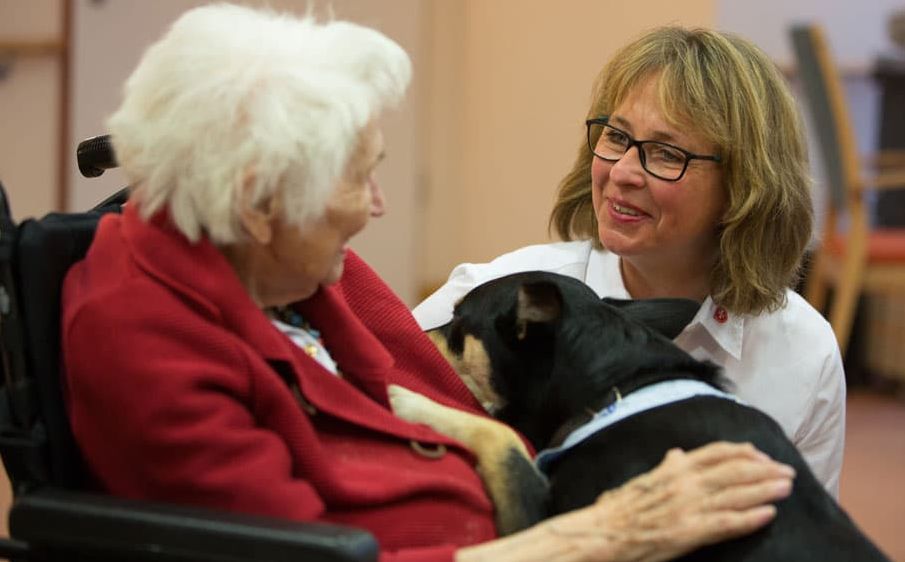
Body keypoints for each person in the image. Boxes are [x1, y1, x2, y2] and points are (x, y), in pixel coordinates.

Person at [61, 5, 795, 562]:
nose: (378, 204)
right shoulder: (145, 339)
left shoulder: (298, 274)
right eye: (360, 177)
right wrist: (608, 532)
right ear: (257, 202)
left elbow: (417, 388)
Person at [413, 26, 846, 497]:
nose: (620, 173)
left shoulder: (802, 353)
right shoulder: (498, 298)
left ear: (744, 187)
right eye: (617, 137)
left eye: (665, 153)